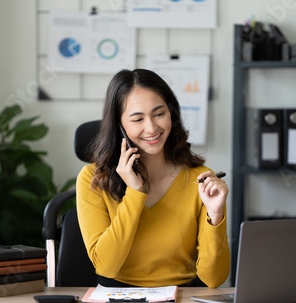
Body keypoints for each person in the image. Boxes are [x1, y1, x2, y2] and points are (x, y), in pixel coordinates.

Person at [76, 68, 230, 288]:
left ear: (171, 114)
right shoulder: (93, 179)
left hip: (182, 299)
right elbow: (106, 267)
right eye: (137, 119)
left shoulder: (201, 180)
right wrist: (135, 194)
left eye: (159, 114)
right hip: (117, 298)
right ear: (119, 126)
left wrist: (215, 216)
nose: (152, 128)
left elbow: (214, 279)